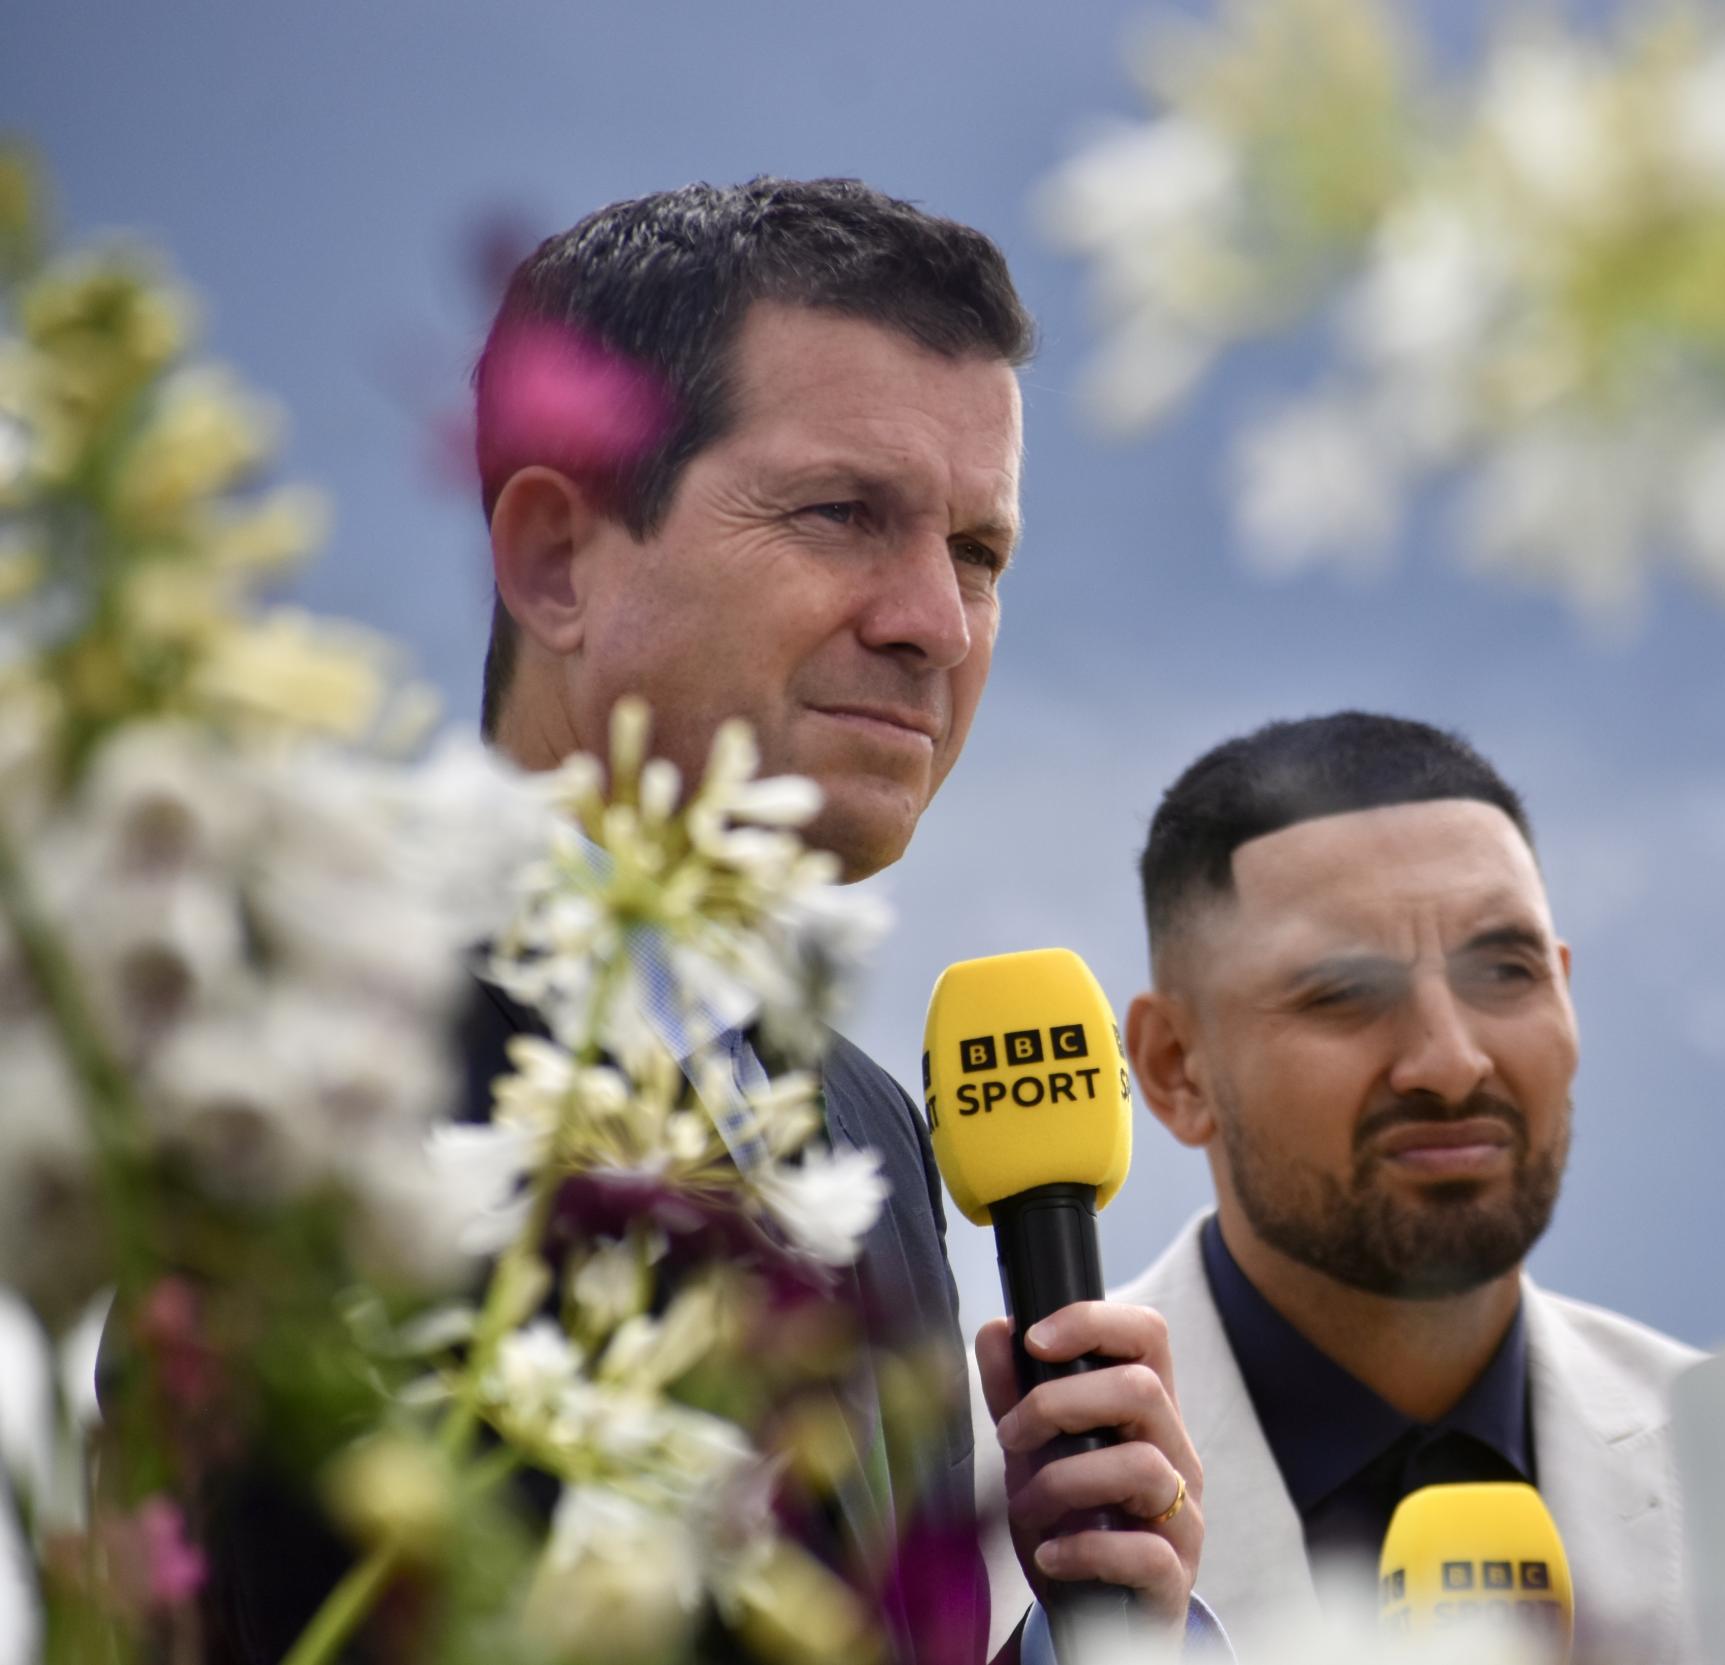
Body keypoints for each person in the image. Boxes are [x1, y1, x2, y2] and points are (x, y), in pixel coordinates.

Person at [205, 178, 1207, 1665]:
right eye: (842, 514)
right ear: (555, 560)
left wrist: (1087, 1634)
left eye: (980, 554)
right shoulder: (286, 1034)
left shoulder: (869, 1131)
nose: (934, 619)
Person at [981, 711, 1699, 1661]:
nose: (1450, 1061)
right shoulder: (948, 1506)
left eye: (1503, 970)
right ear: (1174, 1068)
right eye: (1343, 993)